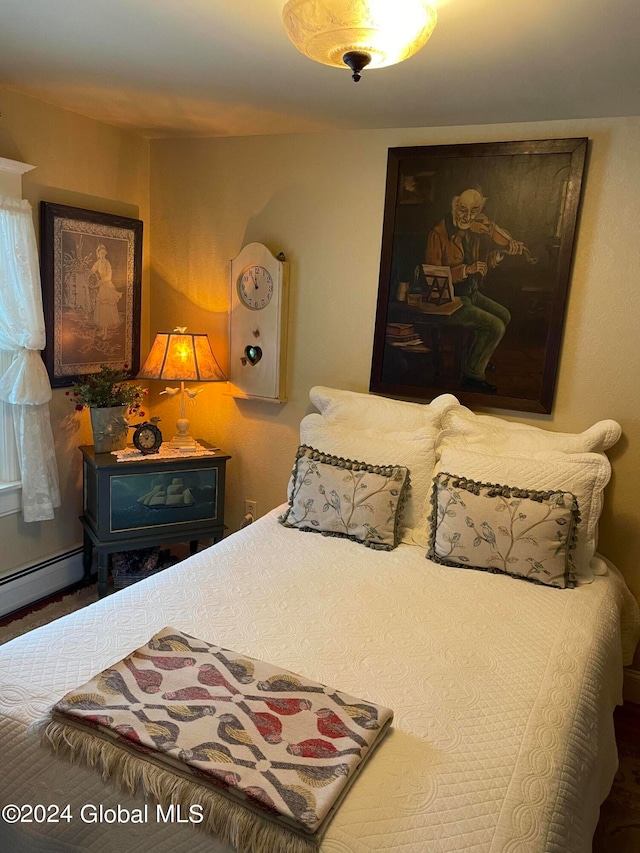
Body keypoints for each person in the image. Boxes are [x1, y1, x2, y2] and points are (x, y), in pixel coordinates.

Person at [425, 188, 527, 393]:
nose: (469, 217)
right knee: (495, 326)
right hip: (450, 300)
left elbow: (478, 263)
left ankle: (479, 357)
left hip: (470, 293)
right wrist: (465, 270)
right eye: (463, 210)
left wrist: (494, 259)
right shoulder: (438, 234)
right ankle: (473, 375)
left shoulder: (473, 233)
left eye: (474, 211)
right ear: (454, 205)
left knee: (504, 315)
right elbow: (431, 277)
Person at [91, 244, 122, 341]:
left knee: (106, 307)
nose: (102, 255)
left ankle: (105, 332)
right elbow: (92, 271)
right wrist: (92, 277)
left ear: (105, 253)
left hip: (107, 285)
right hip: (101, 286)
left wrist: (101, 281)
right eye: (100, 253)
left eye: (104, 253)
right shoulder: (98, 263)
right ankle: (102, 330)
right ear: (98, 254)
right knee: (101, 307)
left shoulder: (107, 263)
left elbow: (109, 277)